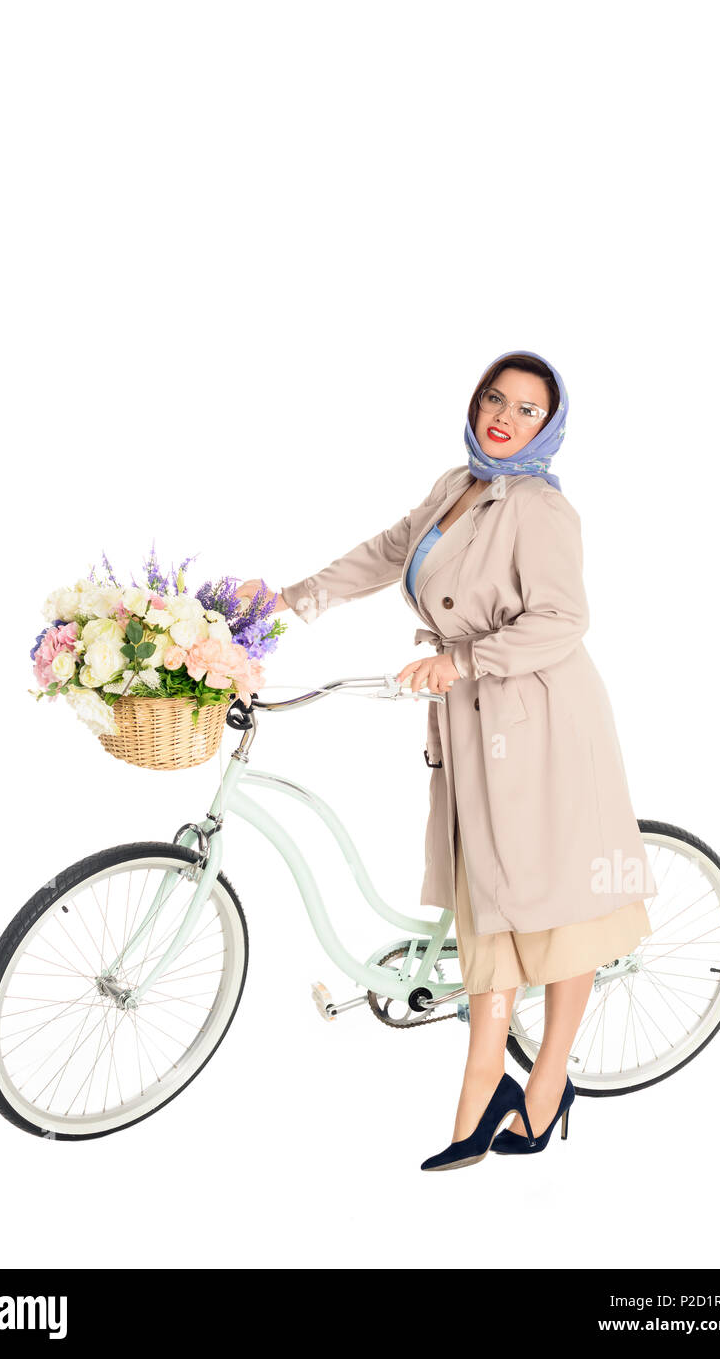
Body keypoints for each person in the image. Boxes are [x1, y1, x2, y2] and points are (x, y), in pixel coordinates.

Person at [237, 349, 654, 1170]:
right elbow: (387, 549)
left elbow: (563, 621)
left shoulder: (539, 509)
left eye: (526, 409)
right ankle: (497, 1089)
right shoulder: (457, 485)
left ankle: (529, 1085)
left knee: (556, 907)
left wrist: (460, 662)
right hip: (474, 718)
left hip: (539, 719)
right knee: (490, 895)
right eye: (494, 398)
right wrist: (287, 601)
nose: (503, 416)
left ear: (550, 424)